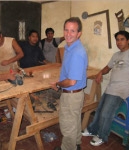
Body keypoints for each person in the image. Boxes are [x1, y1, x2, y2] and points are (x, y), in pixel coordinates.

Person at [82, 30, 129, 146]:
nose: (119, 42)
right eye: (117, 40)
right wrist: (100, 73)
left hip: (121, 89)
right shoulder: (116, 55)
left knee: (106, 113)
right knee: (99, 110)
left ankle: (101, 135)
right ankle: (92, 130)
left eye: (122, 39)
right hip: (111, 87)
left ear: (128, 40)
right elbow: (108, 67)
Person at [51, 17, 88, 150]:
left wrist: (59, 84)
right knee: (74, 122)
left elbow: (71, 81)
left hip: (71, 95)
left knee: (67, 126)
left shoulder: (77, 52)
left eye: (72, 31)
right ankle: (76, 145)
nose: (68, 34)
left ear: (79, 33)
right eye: (66, 30)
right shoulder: (70, 47)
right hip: (75, 94)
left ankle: (67, 148)